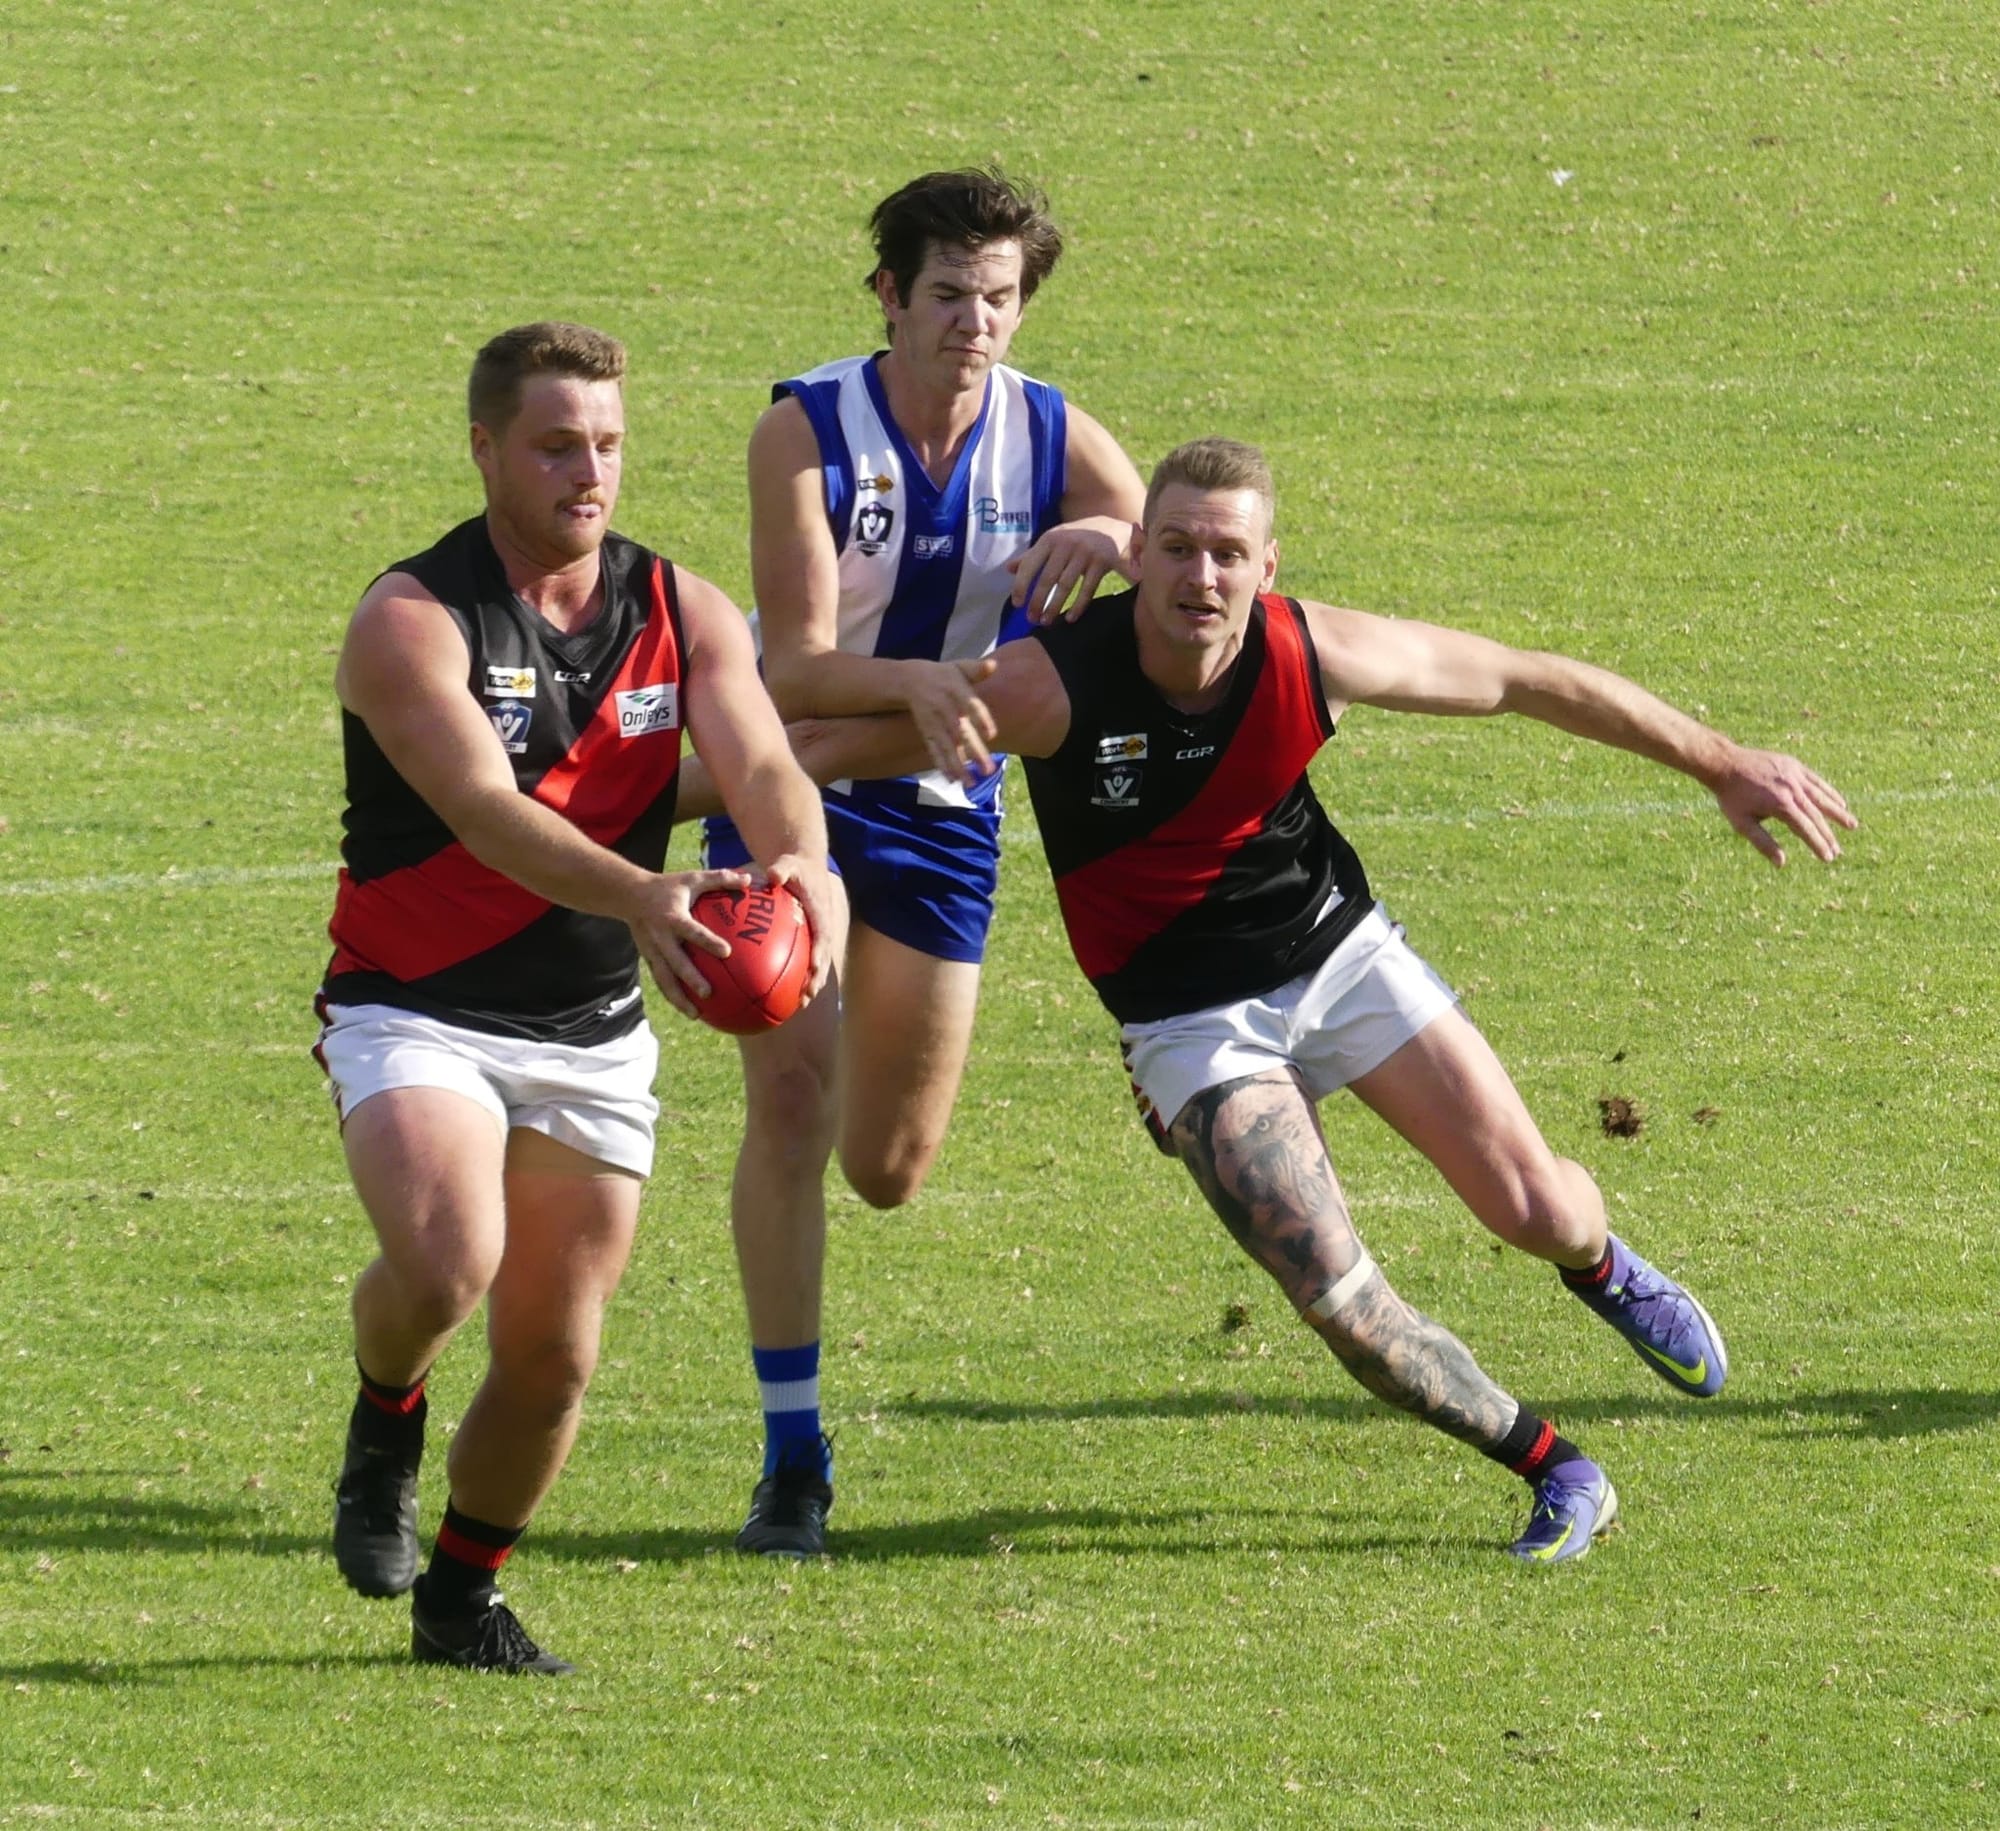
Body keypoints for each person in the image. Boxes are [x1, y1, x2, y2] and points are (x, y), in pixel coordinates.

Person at [779, 437, 1855, 1561]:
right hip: (1189, 1024)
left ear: (1266, 565)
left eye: (1227, 554)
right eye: (1180, 548)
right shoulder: (1049, 684)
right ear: (1135, 554)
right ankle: (1556, 1467)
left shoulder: (1312, 652)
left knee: (1536, 1209)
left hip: (1337, 955)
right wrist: (613, 818)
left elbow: (1527, 679)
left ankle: (1599, 1265)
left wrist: (1718, 759)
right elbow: (815, 747)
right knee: (1337, 1295)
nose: (1202, 577)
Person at [317, 321, 846, 1671]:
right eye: (556, 445)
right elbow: (488, 814)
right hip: (416, 1003)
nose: (588, 471)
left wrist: (803, 864)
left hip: (589, 1029)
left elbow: (764, 765)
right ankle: (386, 1412)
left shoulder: (684, 610)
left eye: (607, 444)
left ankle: (461, 1598)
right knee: (446, 1258)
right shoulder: (408, 622)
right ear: (485, 445)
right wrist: (650, 896)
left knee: (554, 1354)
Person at [693, 168, 1148, 1556]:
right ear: (889, 294)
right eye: (948, 293)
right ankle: (793, 1458)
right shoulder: (804, 429)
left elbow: (1210, 546)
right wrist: (933, 680)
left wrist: (1114, 534)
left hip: (945, 811)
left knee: (888, 1165)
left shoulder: (1053, 430)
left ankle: (829, 1114)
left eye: (1000, 298)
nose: (975, 322)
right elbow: (790, 663)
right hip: (798, 787)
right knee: (787, 1100)